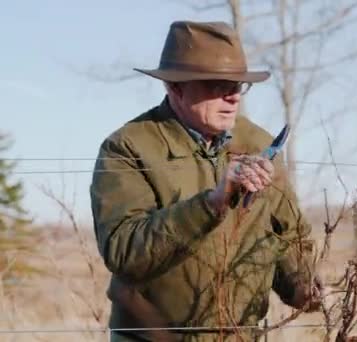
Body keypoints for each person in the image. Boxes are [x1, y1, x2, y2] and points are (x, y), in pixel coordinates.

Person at [89, 20, 321, 342]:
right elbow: (124, 251)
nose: (233, 97)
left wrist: (304, 287)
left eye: (238, 86)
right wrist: (211, 204)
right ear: (175, 87)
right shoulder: (129, 147)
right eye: (217, 85)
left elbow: (286, 232)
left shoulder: (258, 144)